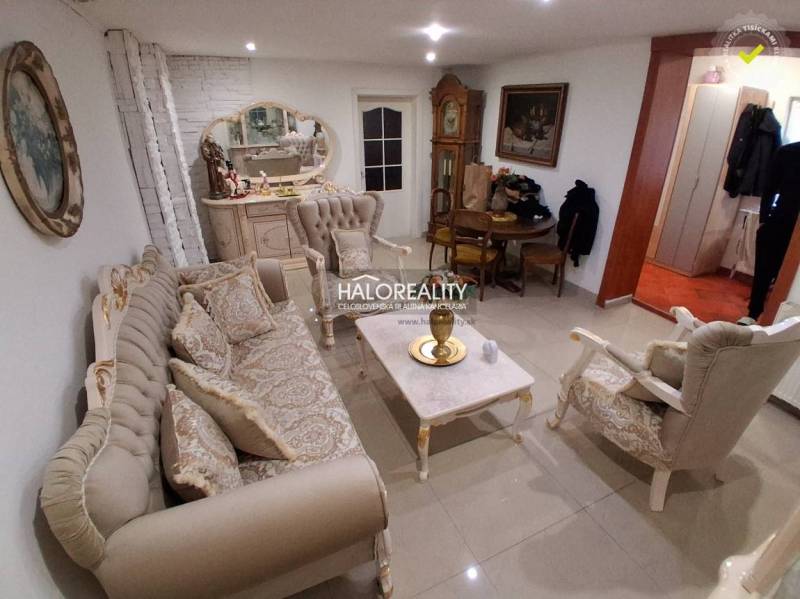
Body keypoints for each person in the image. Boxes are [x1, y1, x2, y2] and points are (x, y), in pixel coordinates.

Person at [739, 142, 800, 324]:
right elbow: (769, 188)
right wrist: (764, 219)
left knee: (789, 277)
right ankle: (753, 313)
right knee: (764, 268)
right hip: (780, 218)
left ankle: (779, 320)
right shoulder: (788, 152)